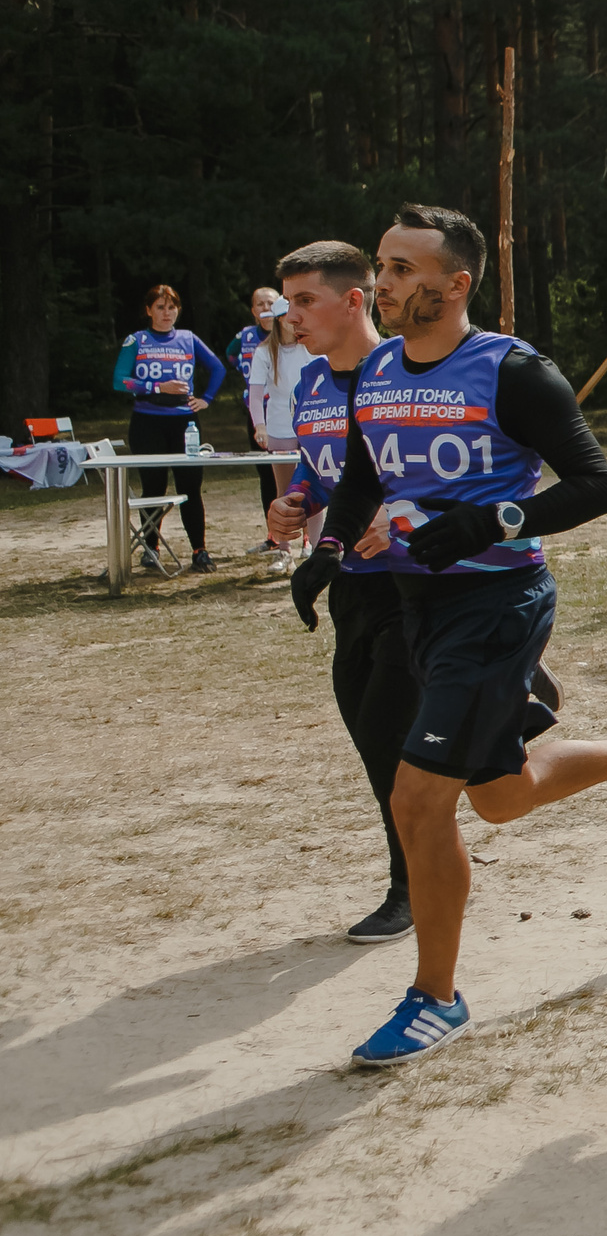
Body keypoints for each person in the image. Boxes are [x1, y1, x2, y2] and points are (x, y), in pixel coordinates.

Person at [291, 203, 607, 1066]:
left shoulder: (513, 369)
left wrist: (492, 521)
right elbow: (364, 474)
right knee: (502, 796)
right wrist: (328, 549)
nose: (388, 282)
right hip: (416, 606)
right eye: (385, 265)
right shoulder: (378, 372)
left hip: (498, 604)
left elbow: (597, 485)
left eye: (404, 269)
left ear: (455, 283)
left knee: (418, 798)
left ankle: (435, 998)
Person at [265, 241, 415, 943]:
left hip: (416, 586)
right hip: (349, 588)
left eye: (302, 301)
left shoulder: (404, 372)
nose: (287, 315)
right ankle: (516, 698)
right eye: (285, 300)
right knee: (377, 736)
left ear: (353, 300)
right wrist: (294, 502)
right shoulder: (312, 383)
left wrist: (405, 517)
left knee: (389, 735)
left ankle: (408, 889)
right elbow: (319, 471)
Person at [112, 284, 227, 574]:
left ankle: (199, 550)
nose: (167, 313)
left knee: (190, 487)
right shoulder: (136, 340)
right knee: (153, 486)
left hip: (184, 422)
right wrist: (156, 386)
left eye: (172, 307)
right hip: (147, 422)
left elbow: (218, 368)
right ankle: (151, 548)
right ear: (148, 310)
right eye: (160, 307)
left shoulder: (188, 339)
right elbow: (119, 380)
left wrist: (207, 399)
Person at [248, 298, 316, 558]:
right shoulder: (264, 352)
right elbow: (255, 395)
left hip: (310, 424)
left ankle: (310, 543)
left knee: (313, 487)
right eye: (288, 315)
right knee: (284, 490)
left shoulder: (309, 347)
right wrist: (260, 426)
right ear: (278, 320)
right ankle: (284, 549)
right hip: (279, 426)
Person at [231, 290, 279, 509]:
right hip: (257, 410)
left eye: (271, 303)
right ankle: (273, 532)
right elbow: (230, 354)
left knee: (293, 471)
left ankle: (304, 533)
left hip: (284, 412)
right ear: (253, 311)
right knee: (266, 473)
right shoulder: (246, 336)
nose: (266, 308)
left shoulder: (292, 332)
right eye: (260, 304)